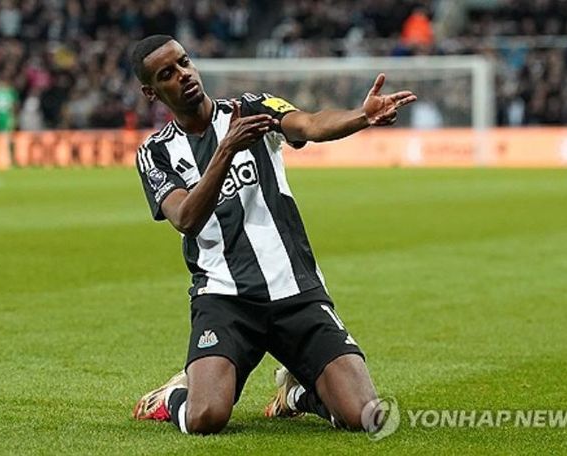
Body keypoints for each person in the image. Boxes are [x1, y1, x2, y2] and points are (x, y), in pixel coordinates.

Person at [130, 34, 416, 435]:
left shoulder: (253, 108)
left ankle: (295, 395)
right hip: (225, 298)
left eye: (184, 62)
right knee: (205, 418)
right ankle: (172, 397)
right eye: (167, 74)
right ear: (151, 92)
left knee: (366, 416)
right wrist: (226, 150)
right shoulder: (155, 153)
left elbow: (310, 124)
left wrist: (361, 116)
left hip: (295, 290)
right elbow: (186, 218)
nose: (183, 75)